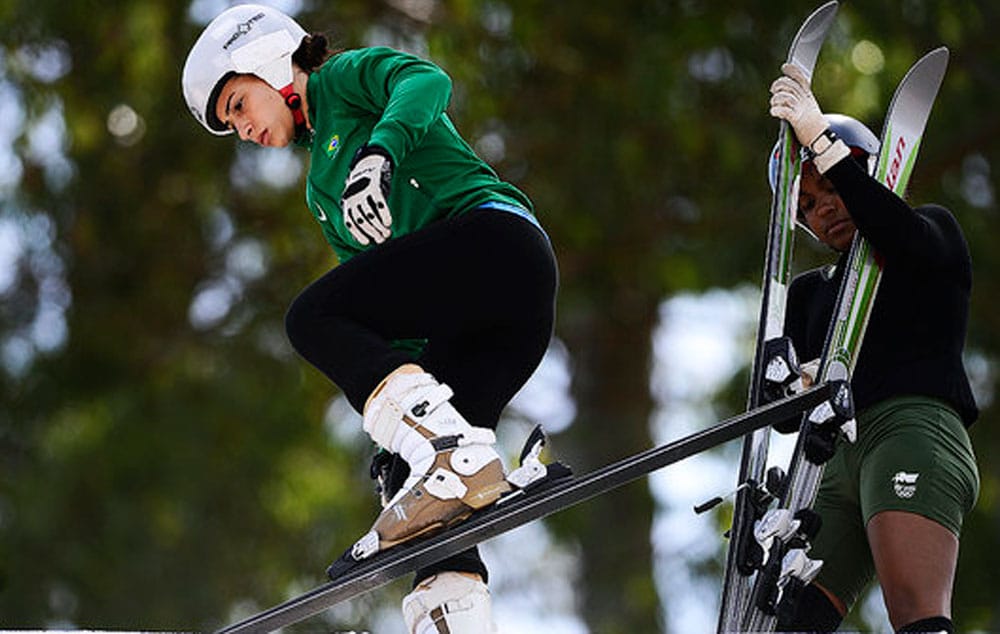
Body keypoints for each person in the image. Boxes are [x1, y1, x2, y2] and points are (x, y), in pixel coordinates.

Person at [182, 5, 558, 633]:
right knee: (417, 486)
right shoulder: (320, 192)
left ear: (271, 64)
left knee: (310, 316)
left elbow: (427, 83)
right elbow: (387, 325)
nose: (243, 130)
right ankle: (454, 610)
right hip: (495, 329)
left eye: (240, 106)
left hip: (500, 248)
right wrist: (393, 440)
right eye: (231, 124)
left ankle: (447, 447)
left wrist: (380, 153)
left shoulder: (340, 80)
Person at [767, 62, 980, 633]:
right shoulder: (812, 293)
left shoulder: (931, 230)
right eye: (807, 204)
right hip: (834, 462)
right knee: (788, 624)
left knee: (914, 614)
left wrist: (818, 137)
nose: (824, 209)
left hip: (910, 426)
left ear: (869, 173)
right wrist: (789, 378)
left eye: (832, 189)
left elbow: (897, 234)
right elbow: (781, 414)